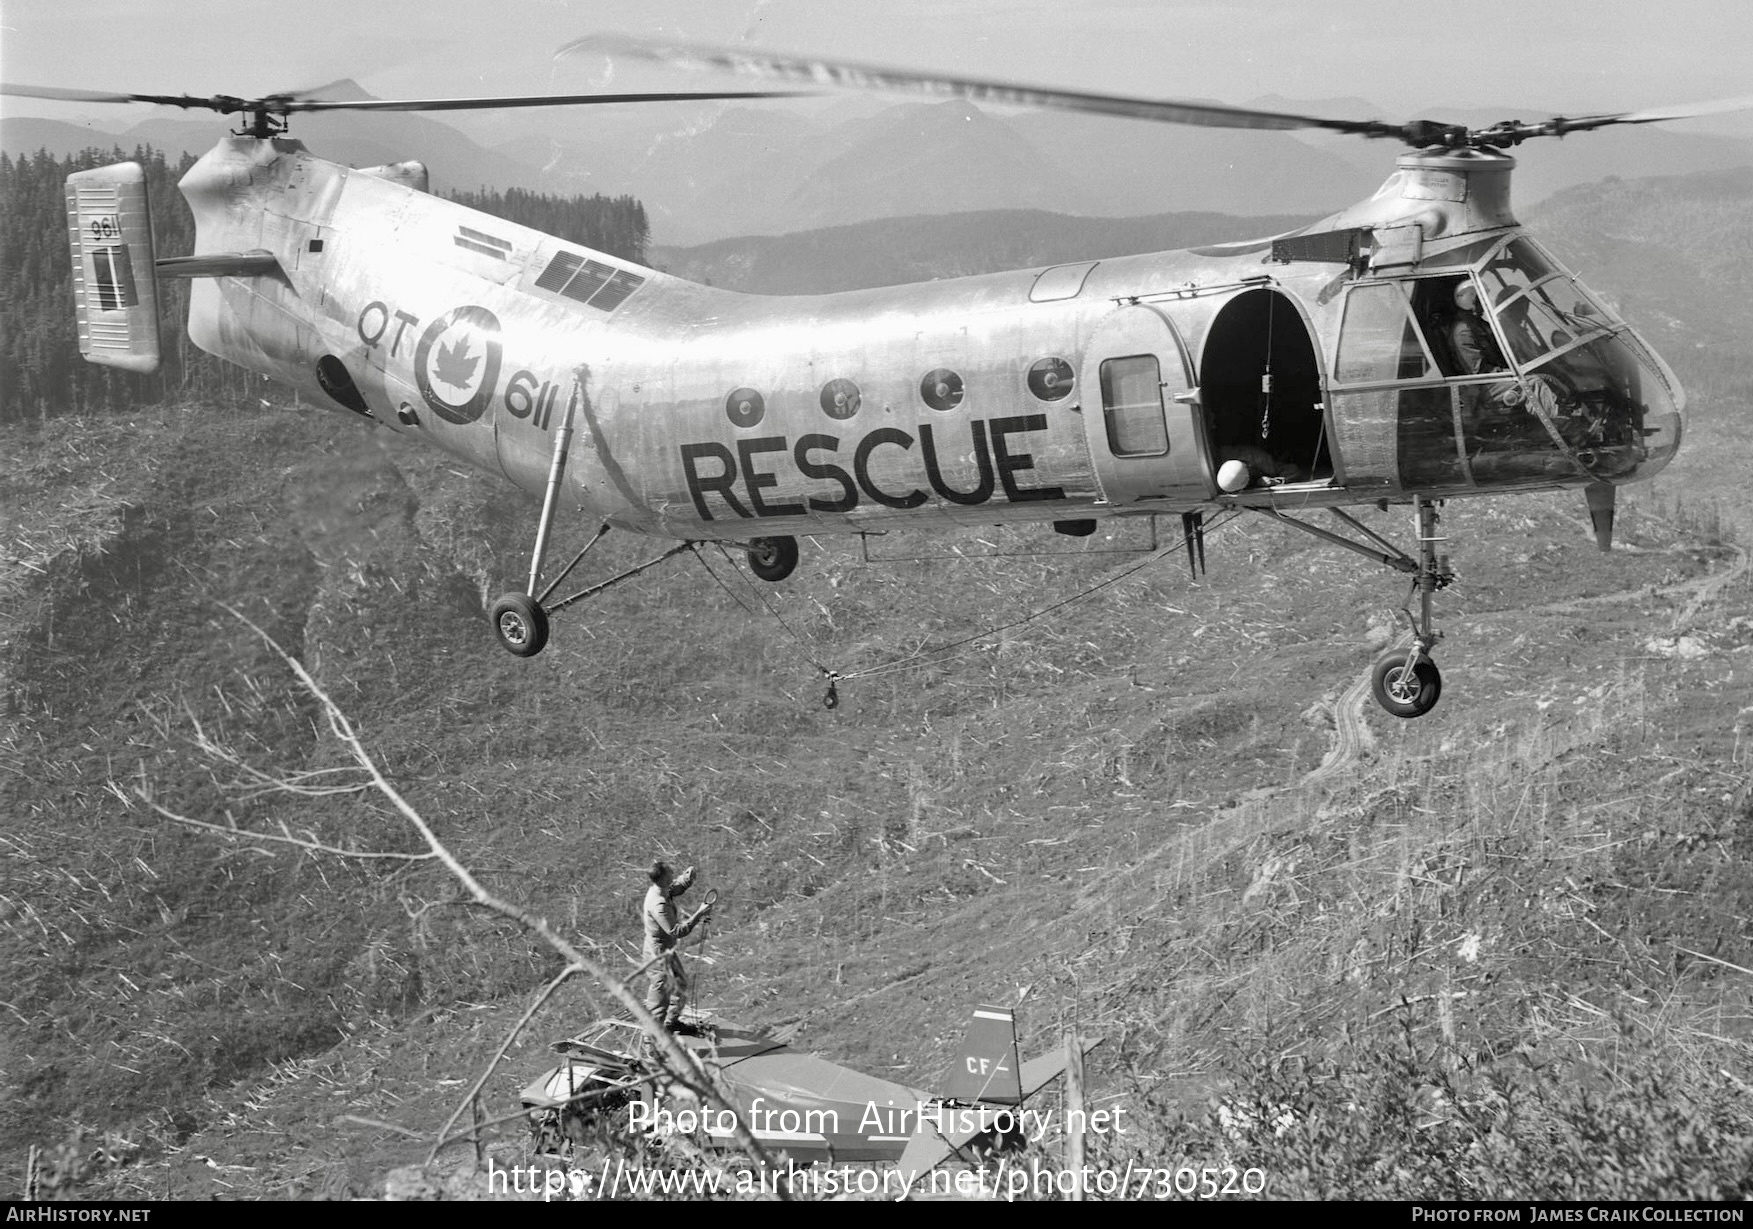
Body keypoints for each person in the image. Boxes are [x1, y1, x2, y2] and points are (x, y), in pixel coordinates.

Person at [642, 860, 709, 1035]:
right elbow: (676, 931)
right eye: (671, 874)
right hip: (658, 956)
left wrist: (686, 880)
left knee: (680, 984)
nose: (673, 875)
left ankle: (671, 1022)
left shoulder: (660, 890)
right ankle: (652, 1046)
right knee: (659, 1002)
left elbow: (672, 889)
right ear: (663, 879)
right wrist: (700, 913)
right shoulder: (659, 905)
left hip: (665, 951)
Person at [1449, 281, 1507, 376]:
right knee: (1535, 383)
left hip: (1497, 376)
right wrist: (1507, 372)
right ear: (1471, 301)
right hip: (1485, 384)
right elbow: (1479, 370)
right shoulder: (1463, 332)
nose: (1485, 303)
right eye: (1481, 300)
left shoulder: (1481, 325)